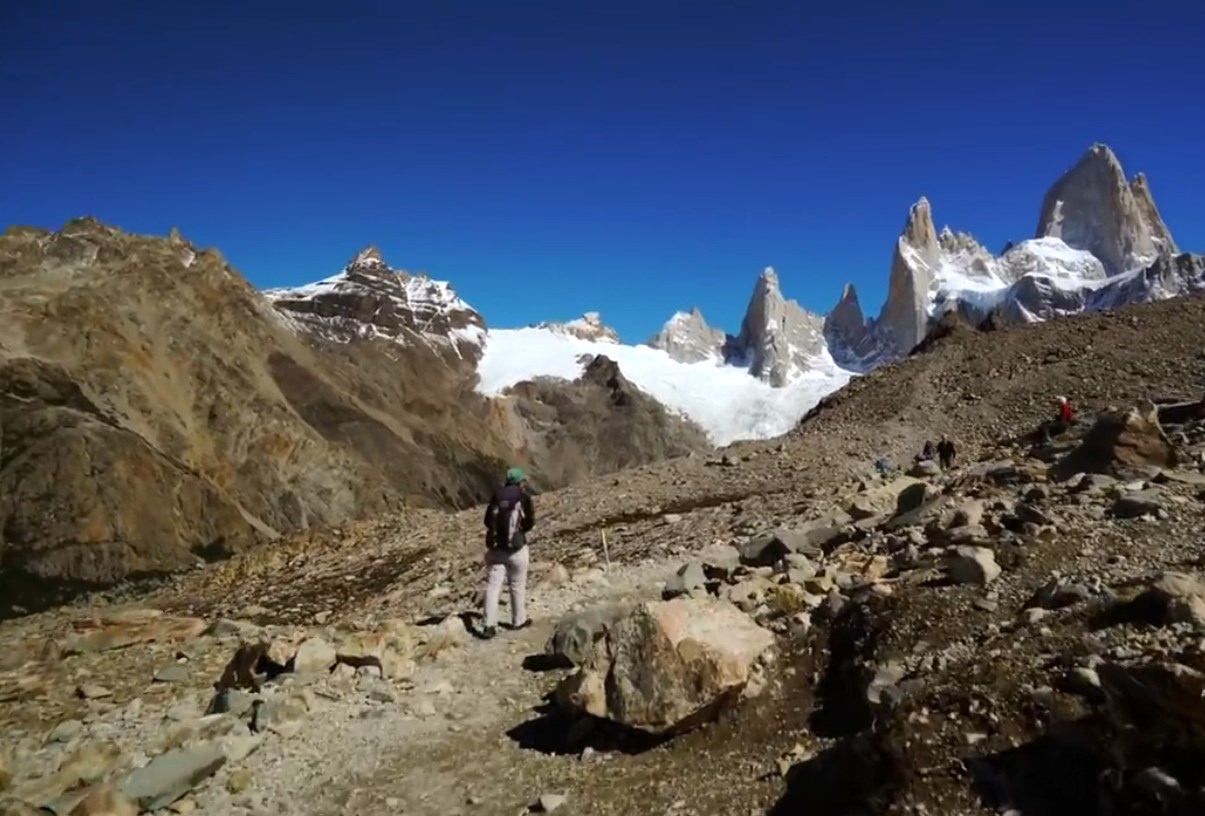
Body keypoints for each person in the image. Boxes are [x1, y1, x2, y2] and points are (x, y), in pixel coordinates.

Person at [480, 466, 535, 639]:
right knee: (517, 585)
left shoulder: (497, 496)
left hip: (497, 550)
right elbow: (530, 522)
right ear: (520, 482)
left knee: (493, 586)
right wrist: (518, 533)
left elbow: (487, 521)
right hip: (517, 548)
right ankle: (518, 621)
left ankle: (489, 625)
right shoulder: (524, 498)